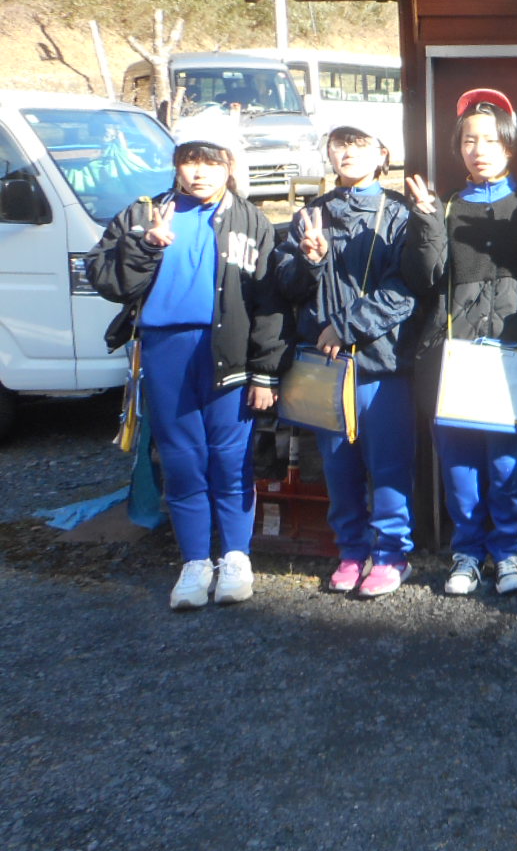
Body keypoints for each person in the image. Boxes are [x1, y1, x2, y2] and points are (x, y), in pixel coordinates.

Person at [87, 115, 287, 611]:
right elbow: (105, 278)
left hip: (228, 353)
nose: (198, 172)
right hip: (166, 350)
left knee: (231, 458)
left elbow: (269, 304)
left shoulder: (252, 221)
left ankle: (236, 557)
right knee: (181, 459)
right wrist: (146, 245)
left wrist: (266, 372)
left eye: (210, 162)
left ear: (230, 166)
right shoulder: (144, 213)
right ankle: (195, 561)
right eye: (189, 160)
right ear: (175, 164)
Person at [404, 89, 517, 598]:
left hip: (512, 356)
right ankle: (467, 554)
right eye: (468, 140)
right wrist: (426, 221)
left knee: (508, 464)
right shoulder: (443, 207)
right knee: (459, 464)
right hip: (455, 356)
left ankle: (508, 554)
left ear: (509, 146)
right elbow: (427, 278)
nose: (478, 150)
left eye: (489, 140)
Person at [271, 124, 417, 599]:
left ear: (382, 154)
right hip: (325, 367)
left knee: (389, 464)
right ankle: (351, 550)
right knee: (338, 466)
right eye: (339, 145)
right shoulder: (311, 214)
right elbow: (286, 284)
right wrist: (310, 261)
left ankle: (392, 555)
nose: (348, 152)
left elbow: (406, 288)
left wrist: (348, 327)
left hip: (382, 364)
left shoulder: (400, 212)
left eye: (360, 144)